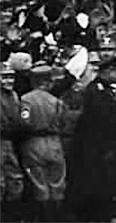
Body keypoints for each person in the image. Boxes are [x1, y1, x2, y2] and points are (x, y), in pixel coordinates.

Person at [19, 62, 70, 222]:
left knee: (39, 183)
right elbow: (64, 123)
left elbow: (24, 123)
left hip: (33, 142)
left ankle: (43, 218)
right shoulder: (56, 101)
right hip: (54, 142)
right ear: (48, 82)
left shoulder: (26, 100)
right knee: (57, 182)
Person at [1, 63, 24, 220]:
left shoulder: (14, 96)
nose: (9, 81)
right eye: (4, 77)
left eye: (11, 77)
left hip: (10, 141)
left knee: (14, 180)